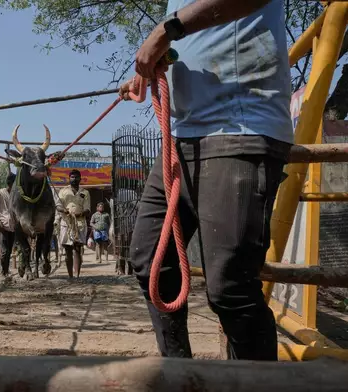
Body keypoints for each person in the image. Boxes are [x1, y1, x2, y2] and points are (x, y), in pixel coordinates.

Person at [119, 0, 292, 361]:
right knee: (149, 257)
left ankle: (255, 385)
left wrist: (166, 31)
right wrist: (149, 69)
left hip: (240, 125)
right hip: (184, 138)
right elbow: (199, 41)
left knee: (230, 285)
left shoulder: (172, 20)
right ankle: (180, 375)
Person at [56, 170, 91, 278]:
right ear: (69, 178)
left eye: (76, 177)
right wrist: (65, 211)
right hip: (66, 224)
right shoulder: (62, 191)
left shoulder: (85, 192)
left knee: (77, 249)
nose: (74, 179)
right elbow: (57, 206)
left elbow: (88, 209)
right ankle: (70, 275)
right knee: (67, 250)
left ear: (80, 179)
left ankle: (77, 275)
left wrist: (80, 213)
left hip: (79, 224)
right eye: (72, 177)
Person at [0, 173, 17, 277]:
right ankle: (3, 271)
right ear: (10, 183)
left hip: (13, 226)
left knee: (9, 250)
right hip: (3, 225)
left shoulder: (15, 195)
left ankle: (5, 270)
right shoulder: (0, 193)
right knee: (4, 250)